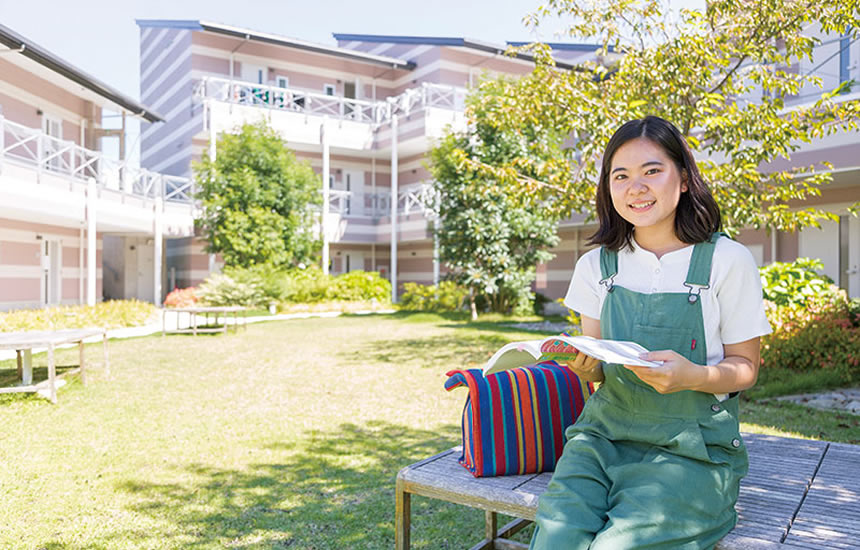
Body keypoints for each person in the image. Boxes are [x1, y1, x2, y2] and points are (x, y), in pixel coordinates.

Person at [529, 116, 772, 549]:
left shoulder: (727, 260)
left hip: (693, 451)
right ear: (608, 188)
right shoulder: (596, 266)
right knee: (555, 537)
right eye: (620, 176)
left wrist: (691, 376)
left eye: (652, 171)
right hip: (602, 438)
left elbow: (745, 368)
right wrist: (588, 370)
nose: (635, 187)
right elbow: (601, 371)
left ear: (683, 179)